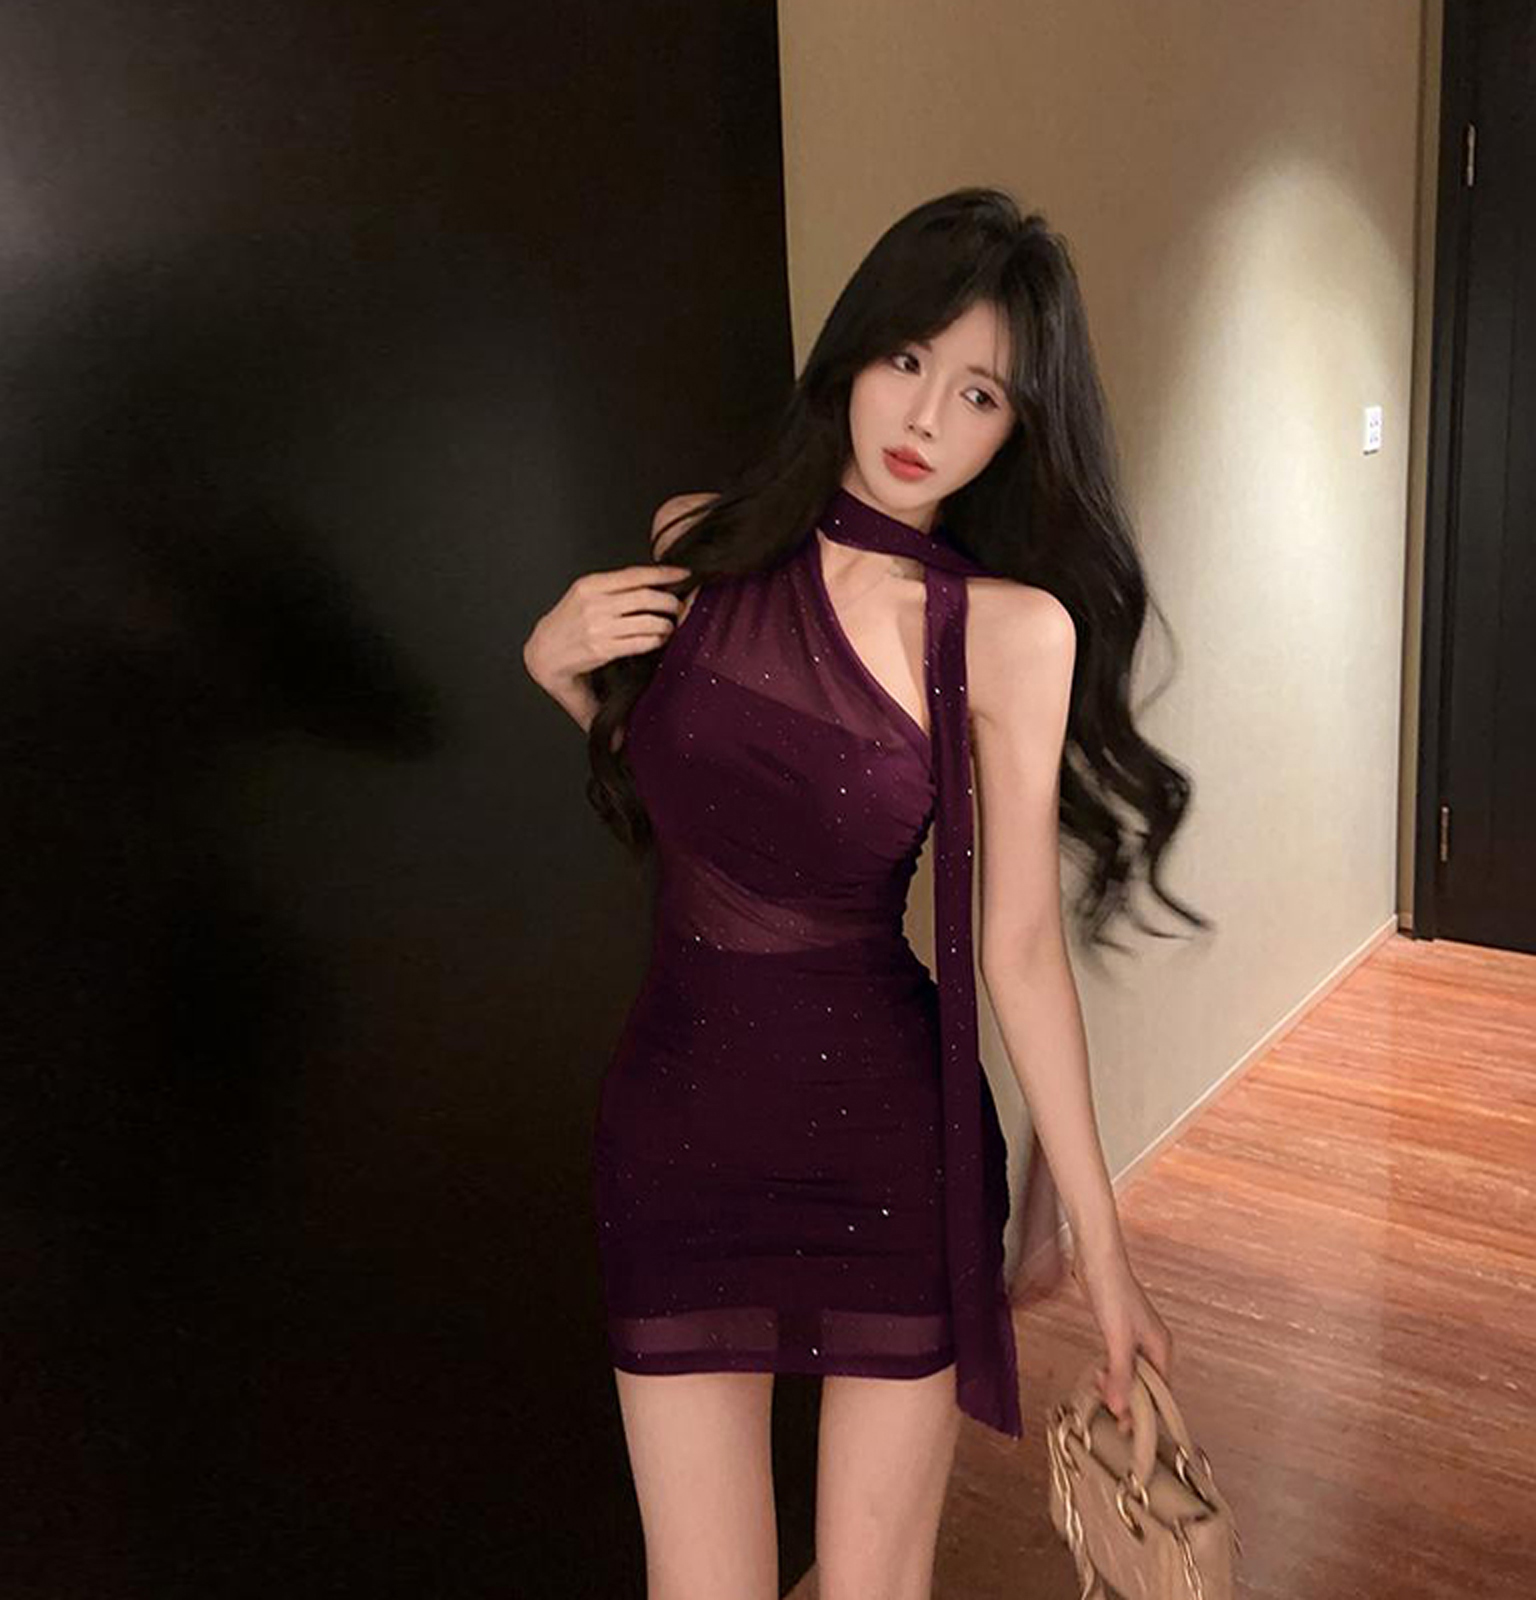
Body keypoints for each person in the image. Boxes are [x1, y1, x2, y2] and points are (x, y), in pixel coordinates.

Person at [523, 186, 1210, 1600]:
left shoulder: (1008, 633)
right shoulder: (702, 539)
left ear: (1016, 432)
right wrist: (560, 674)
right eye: (907, 360)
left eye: (981, 395)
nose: (926, 419)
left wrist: (1106, 1254)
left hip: (891, 1155)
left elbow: (1020, 950)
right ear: (854, 352)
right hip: (676, 1131)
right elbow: (699, 814)